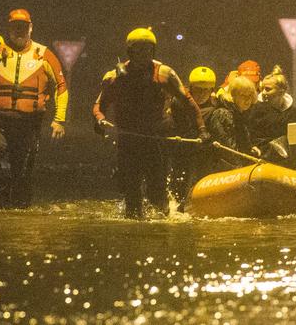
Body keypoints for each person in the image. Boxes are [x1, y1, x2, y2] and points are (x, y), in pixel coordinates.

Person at [92, 28, 208, 218]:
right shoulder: (113, 78)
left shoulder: (165, 74)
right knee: (131, 191)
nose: (144, 55)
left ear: (153, 51)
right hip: (129, 140)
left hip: (156, 139)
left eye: (148, 50)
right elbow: (99, 106)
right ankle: (134, 226)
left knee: (157, 189)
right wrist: (100, 120)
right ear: (130, 52)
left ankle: (160, 225)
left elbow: (189, 102)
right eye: (139, 50)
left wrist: (202, 129)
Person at [0, 8, 67, 208]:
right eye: (15, 27)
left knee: (22, 178)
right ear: (8, 28)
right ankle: (3, 185)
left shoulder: (44, 55)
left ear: (31, 28)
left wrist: (59, 119)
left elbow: (61, 87)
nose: (19, 31)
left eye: (23, 27)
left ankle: (18, 222)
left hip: (28, 125)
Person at [168, 66, 218, 206]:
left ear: (211, 91)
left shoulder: (216, 106)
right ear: (191, 88)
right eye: (198, 89)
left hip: (203, 152)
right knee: (179, 183)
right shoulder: (178, 102)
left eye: (206, 90)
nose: (202, 94)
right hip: (181, 149)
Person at [247, 65, 296, 167]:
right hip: (261, 160)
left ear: (282, 91)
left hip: (290, 165)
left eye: (268, 89)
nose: (263, 93)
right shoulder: (253, 110)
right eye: (262, 89)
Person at [209, 76, 258, 169]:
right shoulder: (223, 114)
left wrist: (250, 149)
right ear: (233, 95)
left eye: (250, 95)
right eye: (243, 95)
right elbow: (226, 149)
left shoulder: (240, 114)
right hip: (224, 171)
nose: (247, 100)